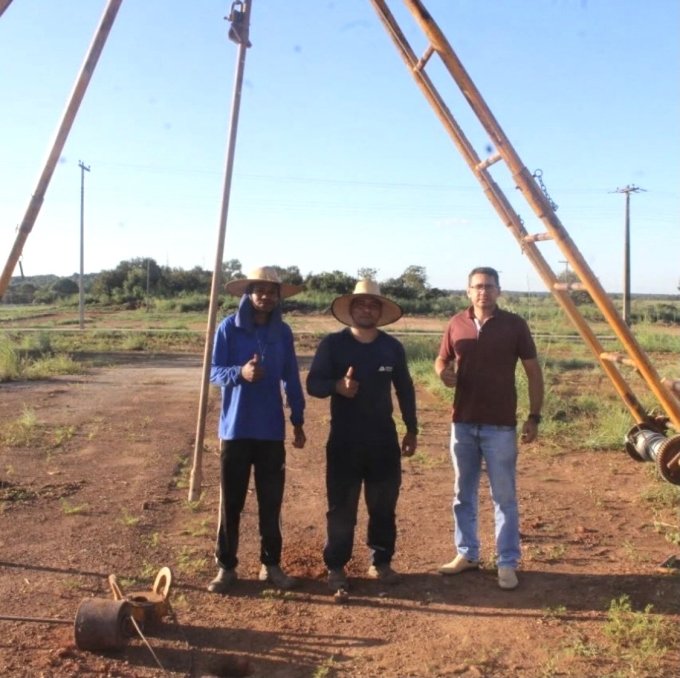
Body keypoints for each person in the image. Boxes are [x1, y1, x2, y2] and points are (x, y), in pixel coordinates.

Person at [435, 266, 544, 590]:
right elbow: (441, 360)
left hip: (500, 426)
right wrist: (442, 373)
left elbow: (533, 372)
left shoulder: (514, 325)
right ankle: (467, 554)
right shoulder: (456, 323)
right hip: (463, 423)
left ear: (498, 290)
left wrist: (534, 416)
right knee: (462, 494)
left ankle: (507, 562)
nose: (483, 291)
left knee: (504, 497)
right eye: (477, 286)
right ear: (468, 291)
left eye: (489, 286)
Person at [306, 279, 418, 591]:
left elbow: (405, 390)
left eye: (373, 304)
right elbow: (314, 384)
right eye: (361, 304)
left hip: (383, 441)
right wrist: (336, 387)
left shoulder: (391, 347)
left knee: (383, 505)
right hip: (344, 441)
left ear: (380, 311)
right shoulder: (333, 345)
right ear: (350, 309)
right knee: (341, 508)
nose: (366, 309)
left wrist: (412, 428)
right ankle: (336, 566)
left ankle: (381, 562)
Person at [207, 266, 306, 593]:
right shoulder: (228, 329)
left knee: (271, 502)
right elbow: (213, 373)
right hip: (234, 430)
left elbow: (291, 375)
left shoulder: (283, 333)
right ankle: (226, 567)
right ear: (248, 294)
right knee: (230, 503)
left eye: (271, 291)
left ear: (278, 297)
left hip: (270, 431)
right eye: (259, 290)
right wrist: (239, 372)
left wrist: (298, 419)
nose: (265, 296)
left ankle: (271, 564)